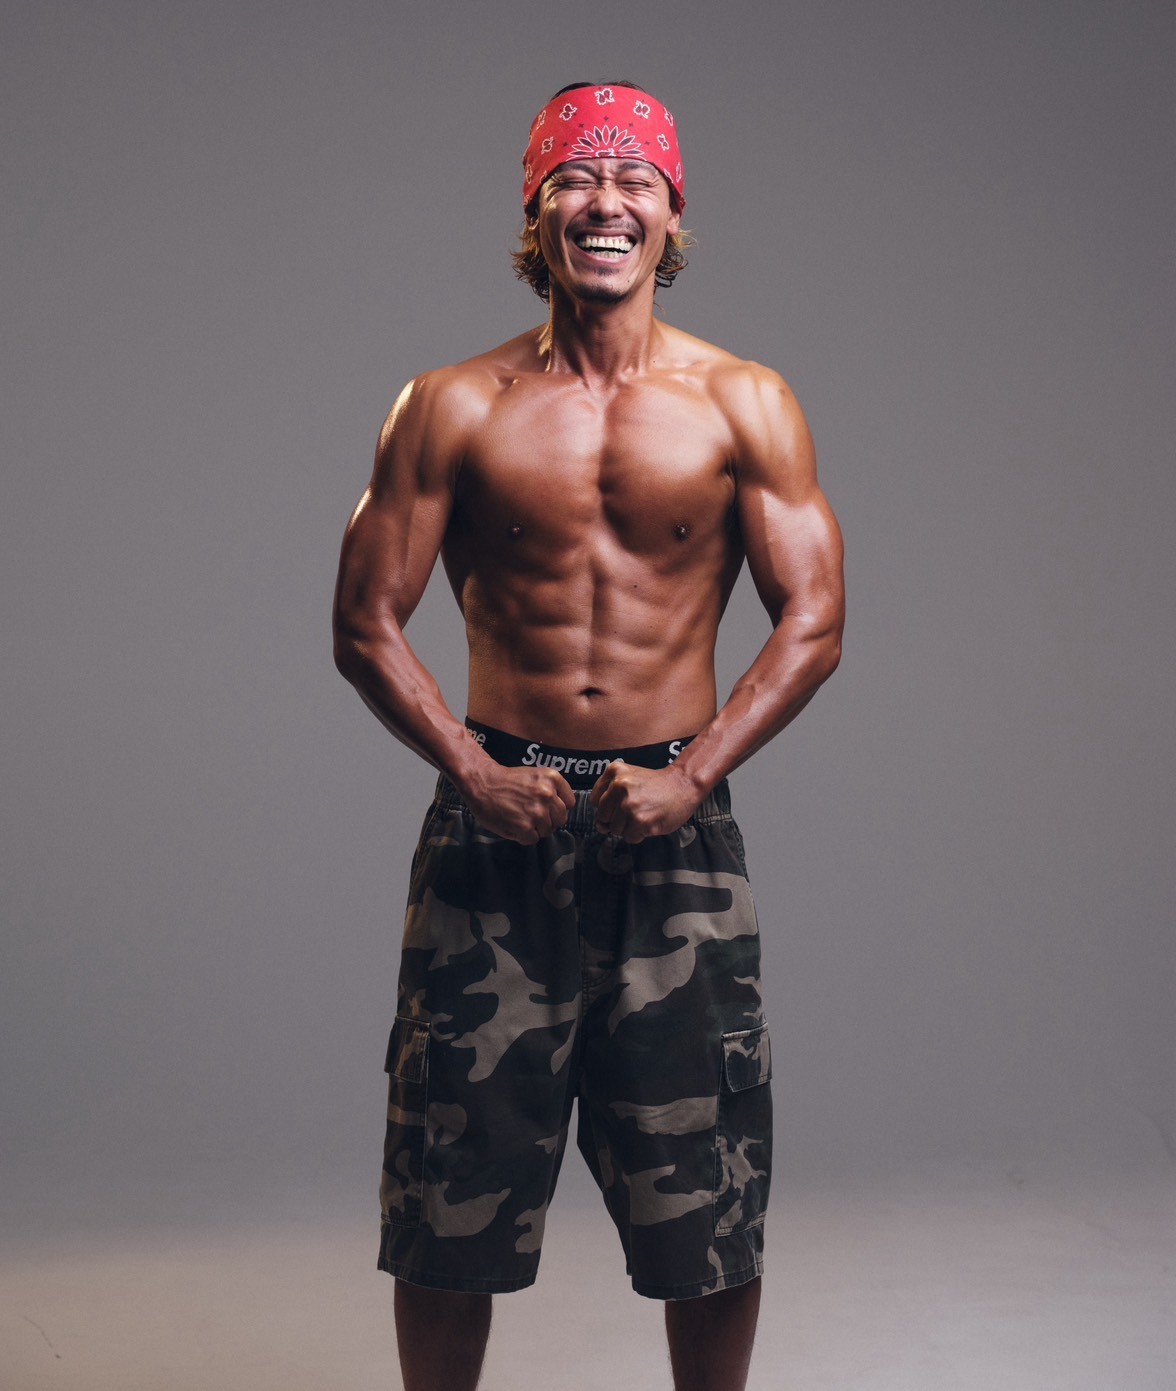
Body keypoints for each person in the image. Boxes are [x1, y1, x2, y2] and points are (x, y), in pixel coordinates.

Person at [333, 80, 844, 1391]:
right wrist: (470, 771)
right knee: (447, 1195)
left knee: (708, 1199)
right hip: (493, 830)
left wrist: (696, 776)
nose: (604, 203)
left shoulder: (745, 401)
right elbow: (365, 621)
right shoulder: (450, 403)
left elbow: (816, 618)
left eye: (633, 181)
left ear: (671, 215)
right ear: (536, 208)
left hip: (675, 838)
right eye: (575, 177)